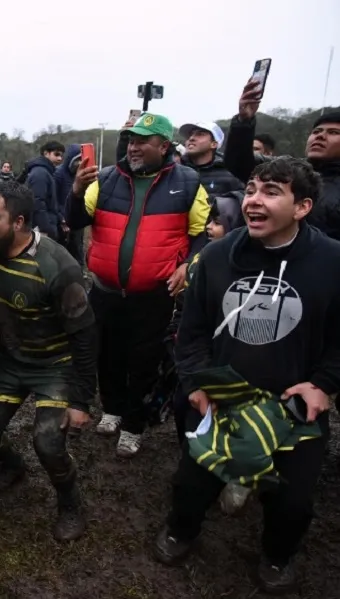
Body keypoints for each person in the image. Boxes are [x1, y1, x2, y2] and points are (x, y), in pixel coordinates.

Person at [155, 157, 340, 594]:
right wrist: (197, 383)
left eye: (272, 191)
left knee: (292, 502)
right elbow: (192, 333)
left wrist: (324, 384)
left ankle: (277, 557)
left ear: (303, 207)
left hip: (294, 408)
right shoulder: (217, 257)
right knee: (191, 483)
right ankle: (181, 532)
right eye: (252, 189)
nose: (254, 200)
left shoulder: (332, 262)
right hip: (224, 401)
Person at [67, 112, 210, 458]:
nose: (133, 147)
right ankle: (113, 410)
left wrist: (187, 267)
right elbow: (74, 221)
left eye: (142, 141)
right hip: (105, 291)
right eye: (130, 140)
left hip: (153, 296)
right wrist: (75, 190)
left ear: (163, 146)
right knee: (108, 356)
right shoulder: (105, 179)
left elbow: (202, 237)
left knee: (144, 362)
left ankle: (133, 425)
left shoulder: (189, 183)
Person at [0, 180, 97, 542]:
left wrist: (81, 400)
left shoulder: (57, 267)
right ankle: (13, 466)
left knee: (48, 443)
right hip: (9, 361)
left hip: (55, 366)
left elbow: (86, 335)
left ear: (20, 222)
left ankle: (70, 503)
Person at [223, 79, 340, 240]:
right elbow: (239, 162)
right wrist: (244, 122)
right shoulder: (289, 171)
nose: (320, 136)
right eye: (317, 131)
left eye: (333, 132)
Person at [177, 121, 244, 196]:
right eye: (190, 135)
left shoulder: (230, 174)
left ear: (214, 144)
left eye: (200, 134)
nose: (191, 138)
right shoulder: (175, 170)